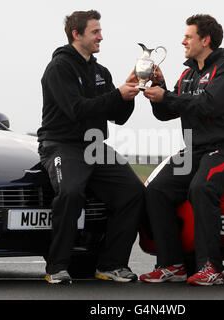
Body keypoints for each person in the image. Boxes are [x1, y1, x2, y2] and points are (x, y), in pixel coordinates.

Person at [140, 14, 224, 286]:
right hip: (195, 150)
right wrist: (160, 87)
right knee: (156, 189)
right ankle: (172, 265)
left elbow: (210, 106)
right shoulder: (188, 73)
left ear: (205, 39)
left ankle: (210, 267)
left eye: (188, 37)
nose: (183, 41)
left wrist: (169, 96)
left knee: (202, 188)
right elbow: (166, 112)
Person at [37, 10, 144, 284]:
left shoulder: (100, 72)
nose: (101, 36)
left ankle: (111, 265)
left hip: (95, 146)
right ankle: (56, 267)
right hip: (61, 145)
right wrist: (115, 94)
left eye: (100, 30)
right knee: (71, 193)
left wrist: (129, 93)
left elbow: (117, 115)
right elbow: (76, 110)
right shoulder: (59, 67)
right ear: (77, 34)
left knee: (133, 192)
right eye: (95, 31)